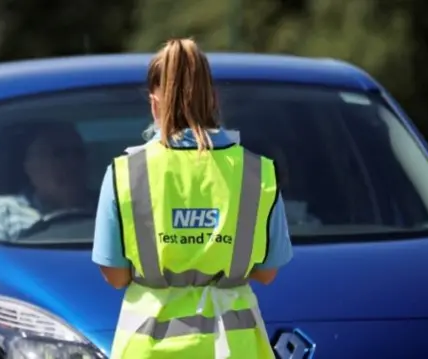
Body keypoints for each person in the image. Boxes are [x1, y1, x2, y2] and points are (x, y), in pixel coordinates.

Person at [92, 38, 293, 359]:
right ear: (212, 99)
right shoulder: (257, 173)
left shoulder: (125, 174)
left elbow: (115, 276)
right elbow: (267, 272)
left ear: (154, 103)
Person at [0, 122, 95, 241]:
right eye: (58, 154)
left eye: (78, 153)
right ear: (29, 166)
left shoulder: (110, 209)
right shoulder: (2, 214)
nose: (72, 163)